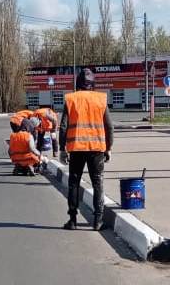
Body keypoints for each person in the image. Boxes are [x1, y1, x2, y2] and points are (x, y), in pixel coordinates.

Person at [59, 68, 114, 231]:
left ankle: (73, 220)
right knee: (98, 182)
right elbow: (109, 126)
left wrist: (63, 149)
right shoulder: (100, 99)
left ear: (78, 83)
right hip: (97, 148)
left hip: (76, 148)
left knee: (74, 183)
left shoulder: (71, 99)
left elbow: (63, 127)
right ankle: (98, 221)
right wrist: (109, 148)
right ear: (93, 84)